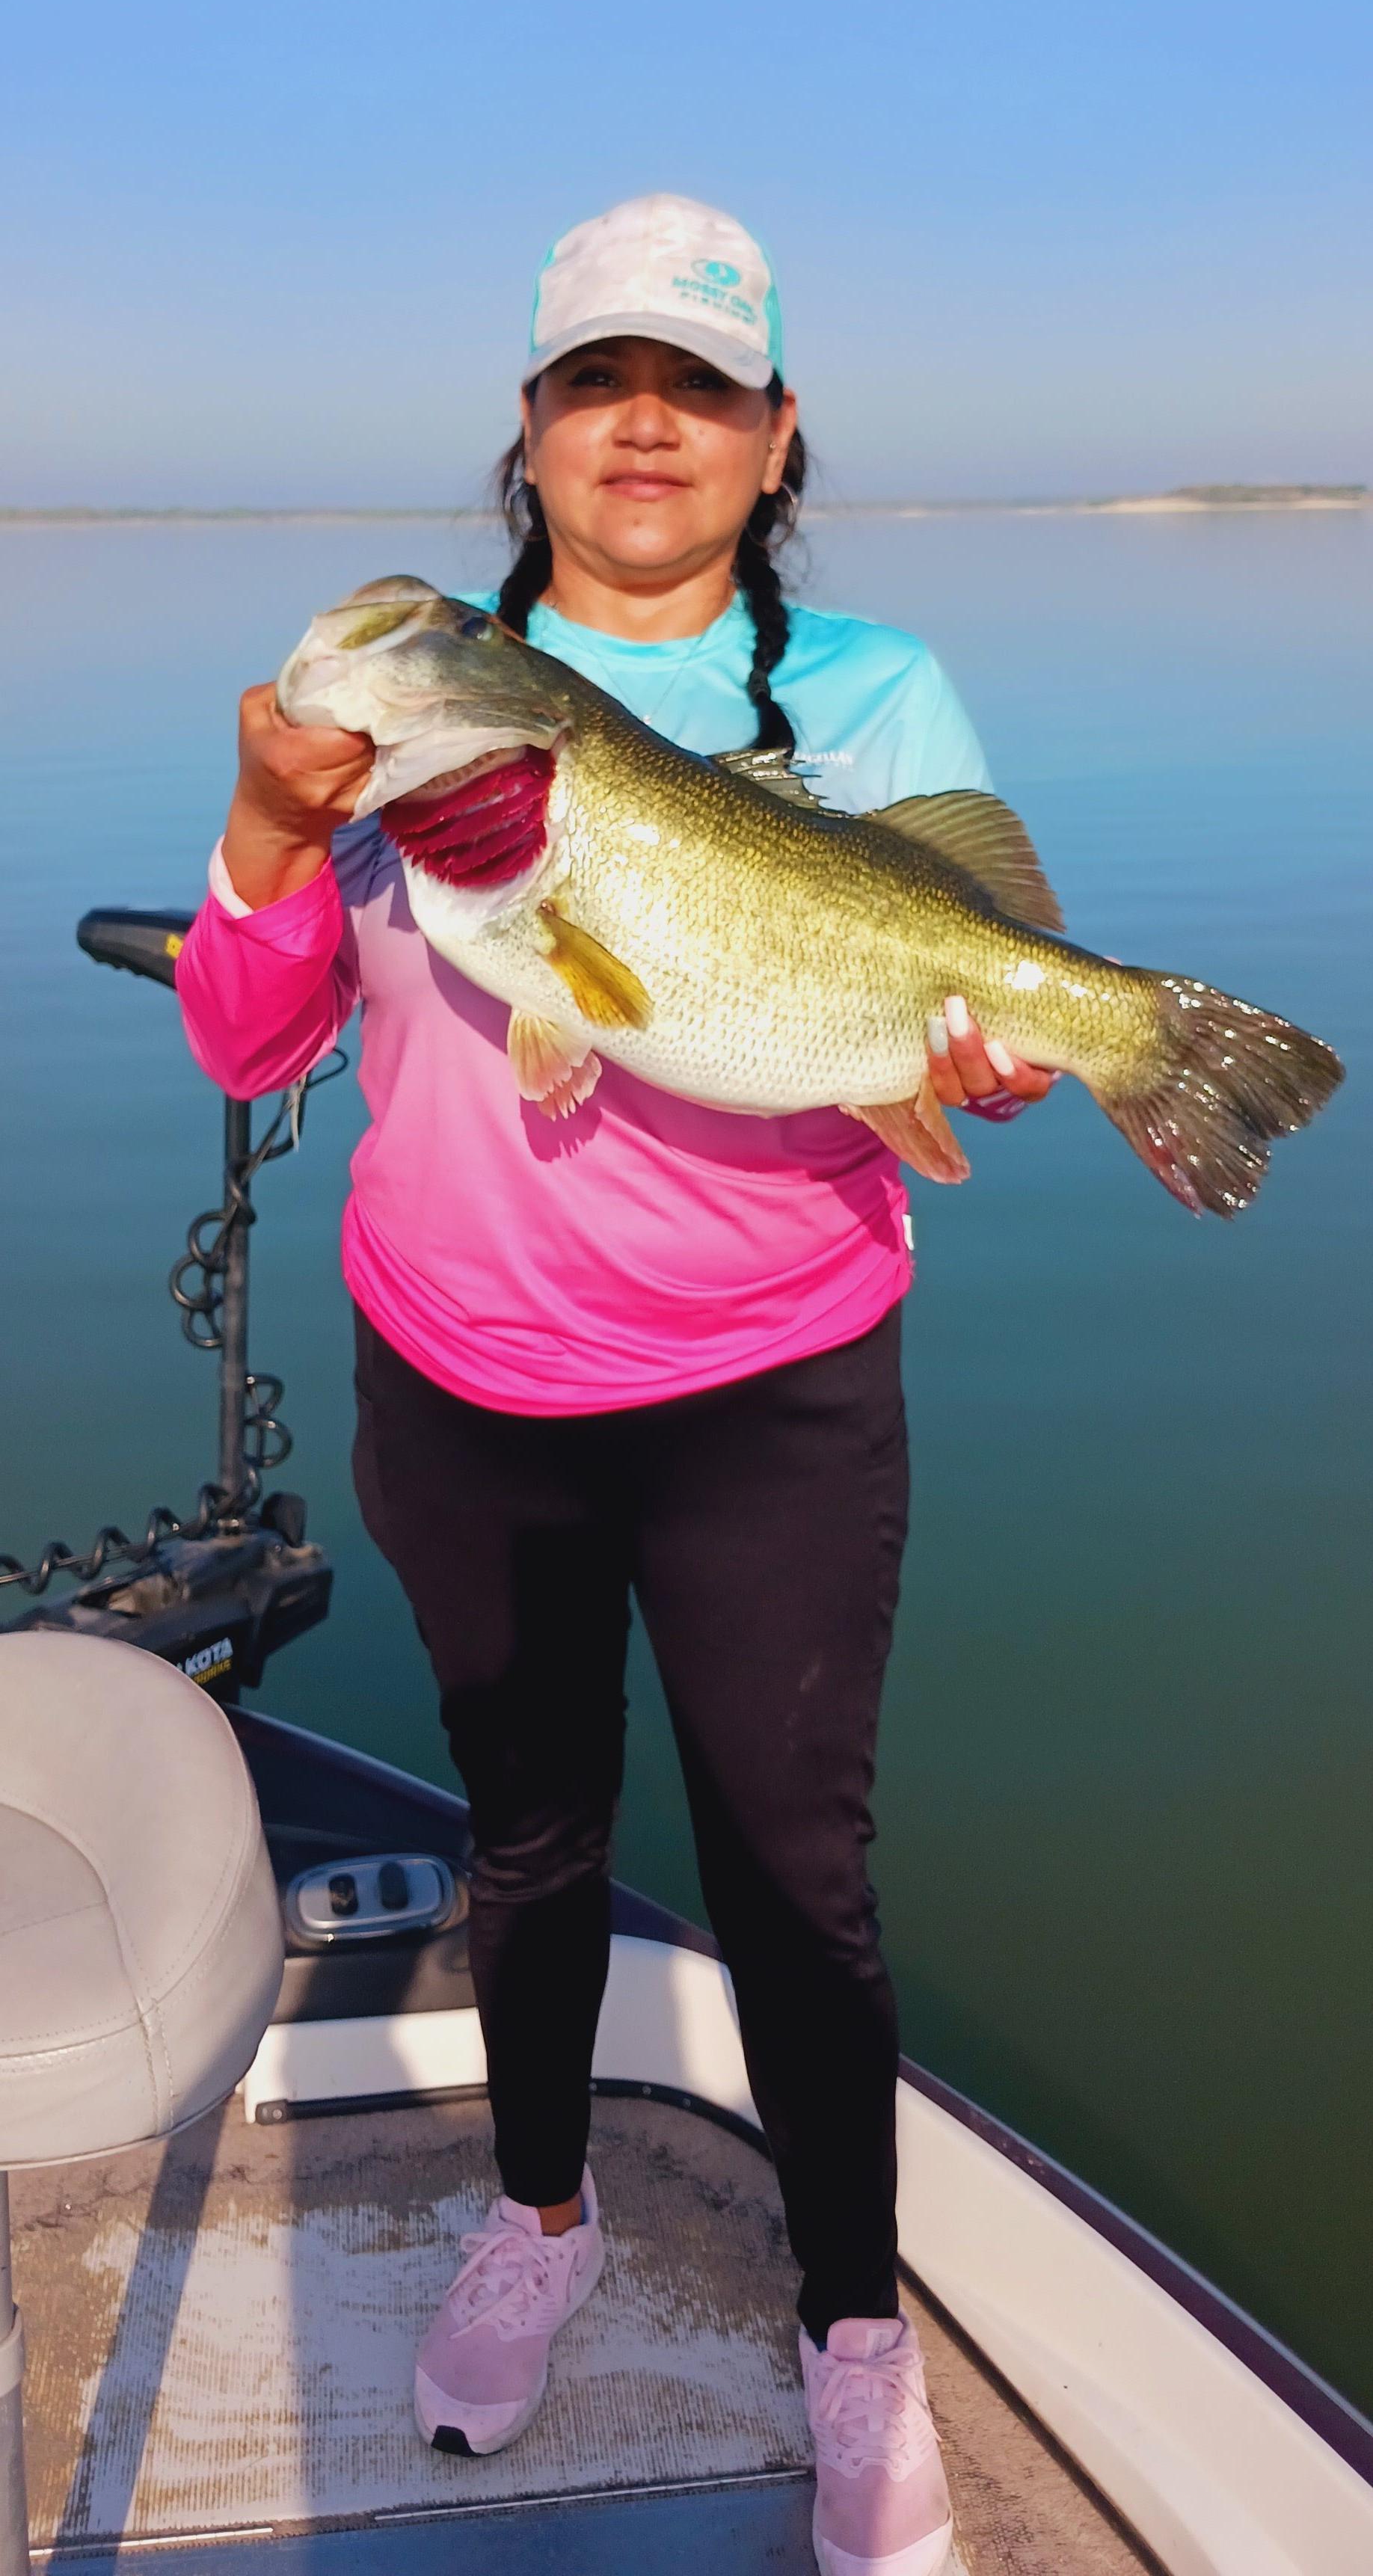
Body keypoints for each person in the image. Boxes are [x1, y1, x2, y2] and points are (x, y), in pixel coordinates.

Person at [176, 193, 1053, 2576]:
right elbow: (251, 1040)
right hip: (465, 1389)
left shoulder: (870, 693)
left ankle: (849, 2329)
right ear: (532, 431)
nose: (643, 424)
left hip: (773, 1389)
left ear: (775, 438)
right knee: (530, 1839)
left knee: (796, 1873)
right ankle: (538, 2212)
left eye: (697, 387)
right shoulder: (409, 705)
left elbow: (959, 990)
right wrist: (269, 828)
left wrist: (984, 1040)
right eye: (596, 383)